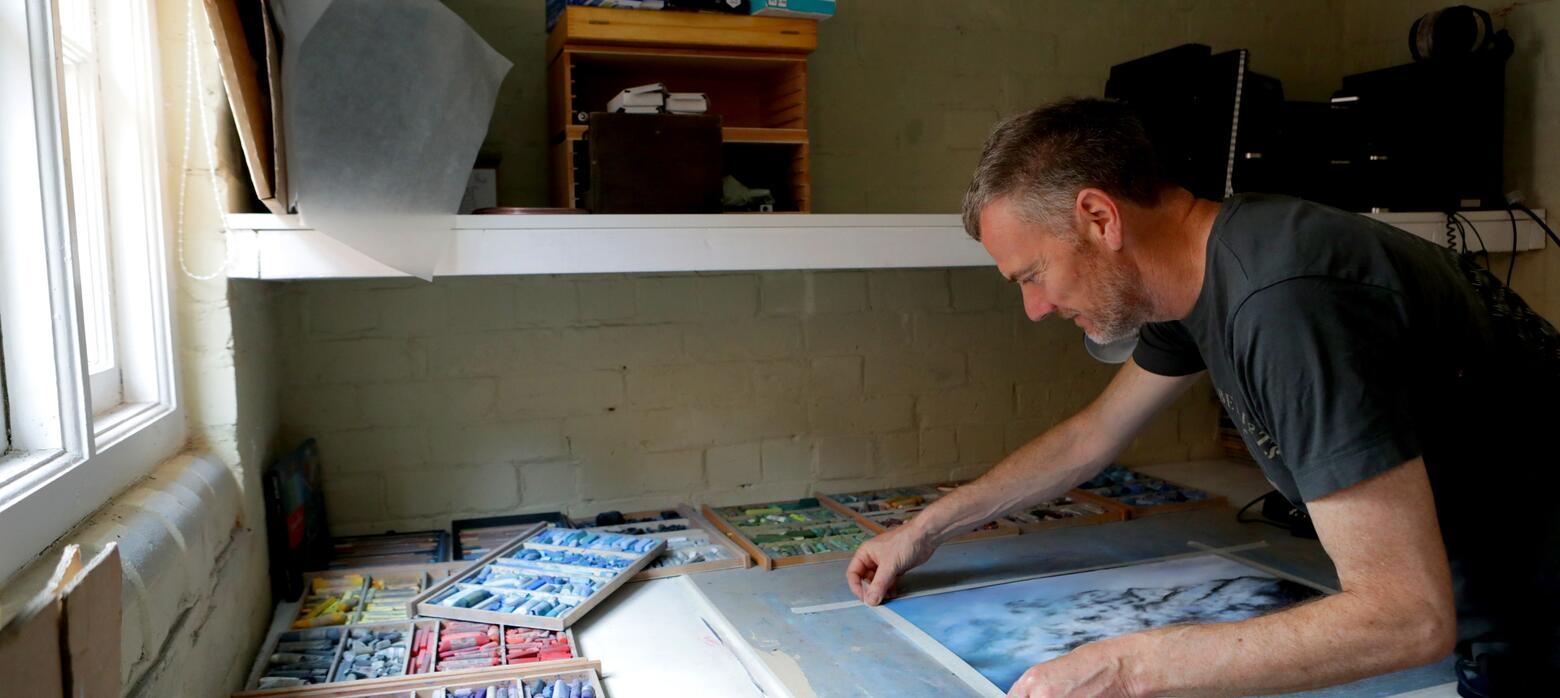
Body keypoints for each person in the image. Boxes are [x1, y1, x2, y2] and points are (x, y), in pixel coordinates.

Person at [845, 98, 1559, 697]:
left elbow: (1405, 617)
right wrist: (925, 530)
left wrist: (1126, 667)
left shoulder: (1286, 304)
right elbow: (1093, 434)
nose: (1036, 308)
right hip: (1492, 596)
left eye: (1033, 275)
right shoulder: (1203, 270)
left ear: (1099, 218)